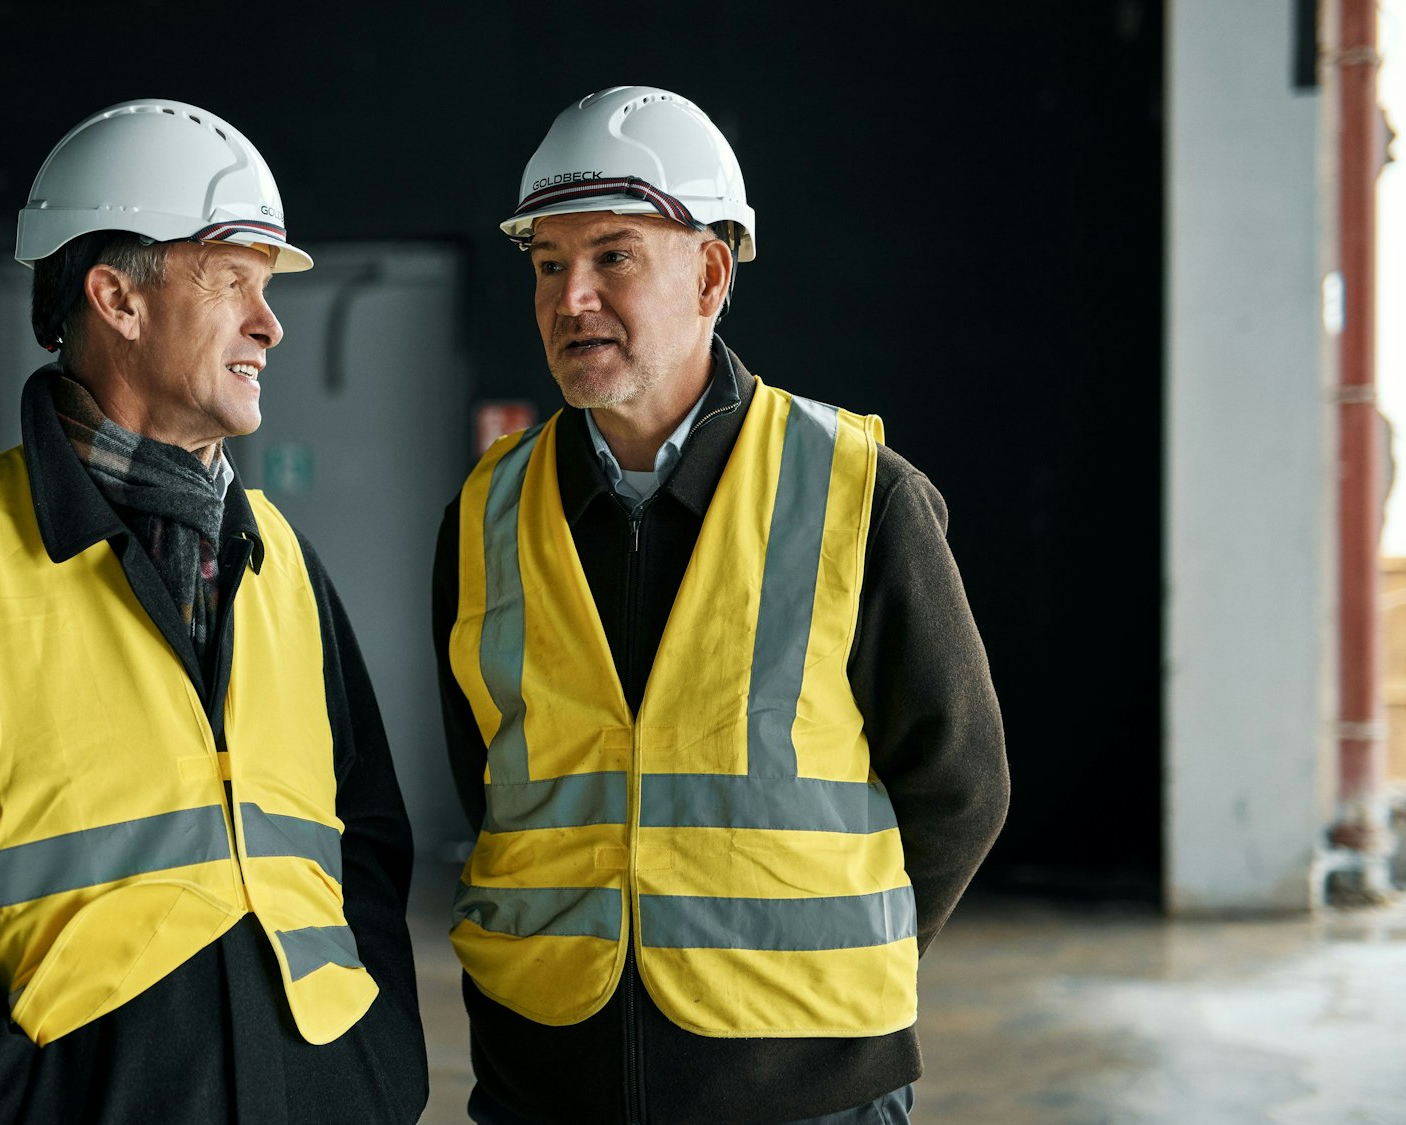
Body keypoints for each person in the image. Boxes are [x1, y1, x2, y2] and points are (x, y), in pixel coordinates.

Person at [0, 98, 428, 1125]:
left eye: (266, 289)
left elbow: (362, 841)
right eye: (232, 283)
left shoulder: (280, 560)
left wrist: (375, 1068)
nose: (268, 324)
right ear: (115, 298)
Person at [432, 86, 1009, 1124]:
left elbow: (959, 782)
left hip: (806, 1090)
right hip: (545, 1078)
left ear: (707, 273)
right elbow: (485, 780)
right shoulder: (487, 510)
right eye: (548, 264)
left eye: (612, 257)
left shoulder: (856, 493)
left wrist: (829, 983)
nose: (571, 300)